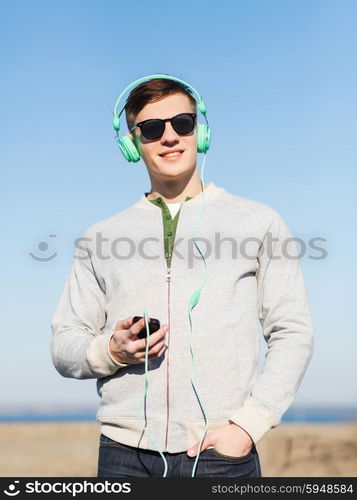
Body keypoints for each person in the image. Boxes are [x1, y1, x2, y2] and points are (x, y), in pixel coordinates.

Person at [50, 75, 314, 478]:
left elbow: (293, 332)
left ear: (200, 131)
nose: (170, 136)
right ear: (132, 145)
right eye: (152, 129)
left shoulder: (259, 221)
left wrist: (248, 426)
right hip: (124, 454)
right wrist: (112, 351)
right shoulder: (99, 237)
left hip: (222, 454)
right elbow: (64, 343)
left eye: (183, 123)